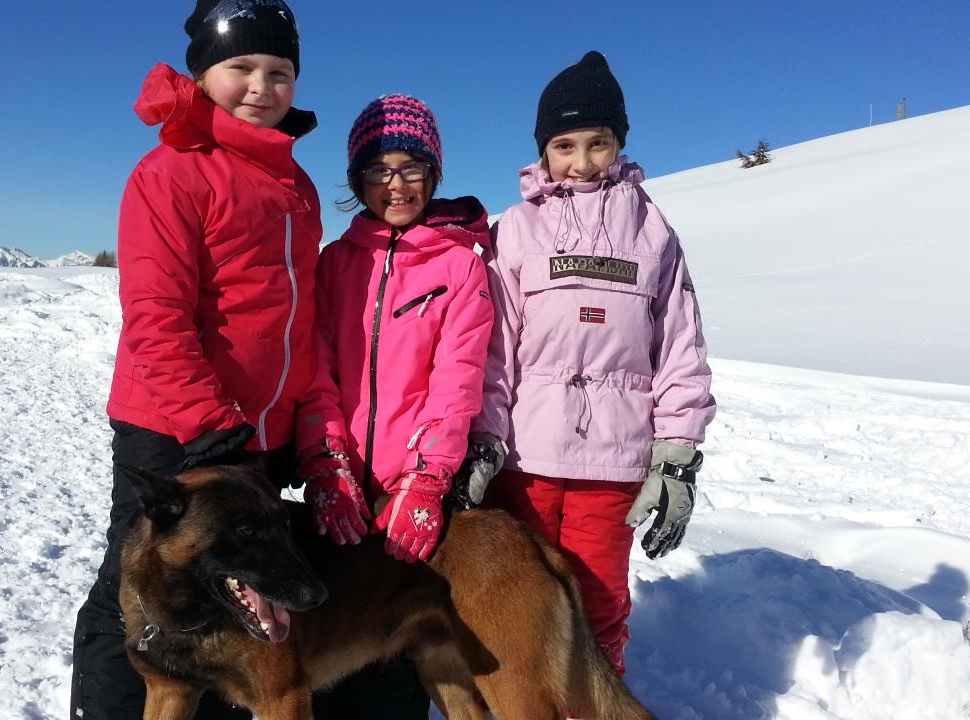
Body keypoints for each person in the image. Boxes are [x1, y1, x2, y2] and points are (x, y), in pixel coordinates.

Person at [69, 2, 321, 719]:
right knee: (141, 594)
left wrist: (293, 420)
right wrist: (209, 424)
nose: (261, 87)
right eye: (242, 67)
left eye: (279, 72)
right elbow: (156, 316)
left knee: (234, 592)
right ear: (204, 75)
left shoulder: (295, 184)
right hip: (177, 428)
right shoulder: (171, 171)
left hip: (258, 434)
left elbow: (291, 319)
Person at [465, 51, 716, 677]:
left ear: (620, 143)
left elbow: (679, 347)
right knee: (515, 597)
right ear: (543, 152)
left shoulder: (653, 232)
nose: (581, 163)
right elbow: (495, 348)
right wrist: (484, 439)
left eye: (597, 143)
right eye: (564, 146)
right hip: (524, 458)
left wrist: (677, 451)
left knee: (597, 603)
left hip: (612, 460)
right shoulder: (516, 229)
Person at [295, 95, 494, 718]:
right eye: (379, 170)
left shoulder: (460, 268)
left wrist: (429, 478)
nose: (396, 184)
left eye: (411, 168)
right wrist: (325, 462)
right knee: (330, 648)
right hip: (343, 489)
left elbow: (457, 383)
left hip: (408, 490)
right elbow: (316, 373)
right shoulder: (335, 263)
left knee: (399, 657)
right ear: (357, 180)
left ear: (433, 175)